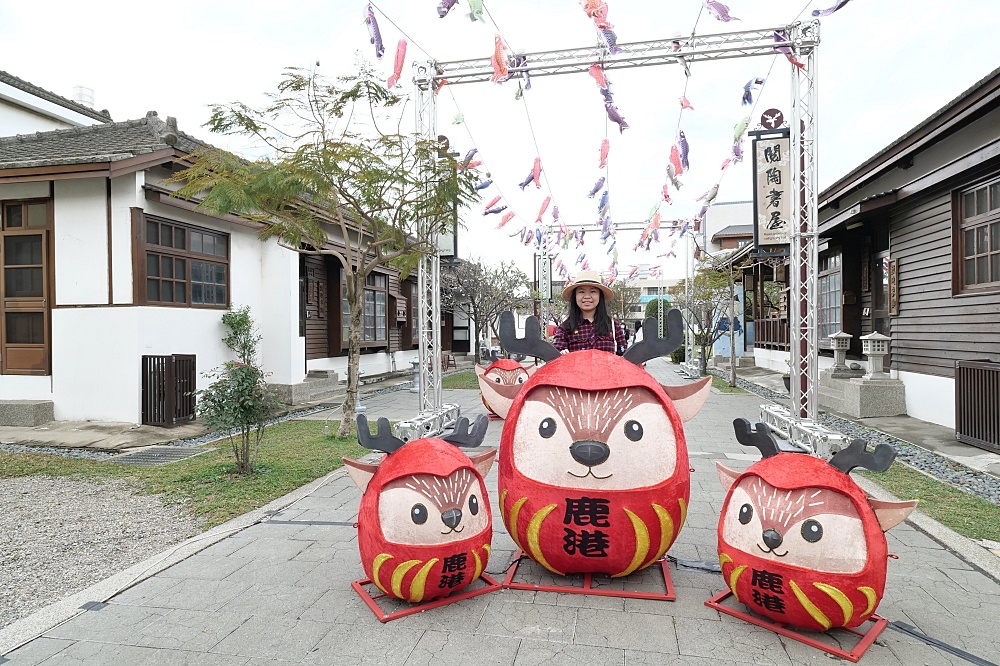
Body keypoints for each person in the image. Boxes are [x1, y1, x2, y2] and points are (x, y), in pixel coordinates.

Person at [553, 271, 626, 356]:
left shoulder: (613, 326)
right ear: (575, 296)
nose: (587, 296)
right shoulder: (564, 329)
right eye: (581, 292)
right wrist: (561, 354)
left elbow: (624, 357)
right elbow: (555, 359)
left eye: (593, 291)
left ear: (600, 296)